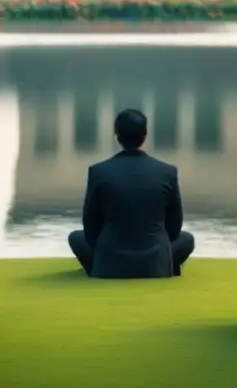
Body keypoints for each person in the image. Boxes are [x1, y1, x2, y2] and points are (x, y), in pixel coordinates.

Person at [67, 108, 195, 278]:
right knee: (186, 239)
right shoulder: (167, 172)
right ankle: (161, 265)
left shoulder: (99, 172)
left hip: (111, 259)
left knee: (76, 238)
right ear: (145, 135)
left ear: (117, 136)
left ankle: (103, 264)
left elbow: (90, 226)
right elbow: (174, 226)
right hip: (154, 259)